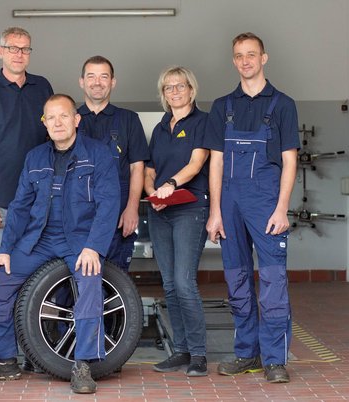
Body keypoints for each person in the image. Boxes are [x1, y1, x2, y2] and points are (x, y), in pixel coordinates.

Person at [0, 94, 120, 395]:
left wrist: (94, 247)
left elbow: (109, 204)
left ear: (76, 120)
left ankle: (84, 364)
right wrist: (5, 250)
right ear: (44, 123)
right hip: (39, 239)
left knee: (89, 282)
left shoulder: (98, 154)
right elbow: (20, 207)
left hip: (80, 240)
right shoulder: (35, 157)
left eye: (64, 116)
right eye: (51, 117)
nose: (58, 122)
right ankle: (4, 361)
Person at [204, 32, 300, 383]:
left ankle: (274, 359)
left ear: (264, 58)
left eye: (251, 54)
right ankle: (246, 354)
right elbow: (215, 161)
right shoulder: (221, 106)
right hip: (228, 203)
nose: (245, 60)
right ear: (234, 60)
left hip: (265, 203)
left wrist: (282, 208)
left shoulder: (283, 104)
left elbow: (290, 161)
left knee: (273, 282)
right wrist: (215, 211)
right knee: (237, 280)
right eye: (239, 55)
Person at [0, 27, 53, 373]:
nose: (18, 54)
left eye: (24, 49)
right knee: (1, 280)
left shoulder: (43, 88)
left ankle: (36, 353)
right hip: (2, 200)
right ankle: (3, 354)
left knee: (38, 278)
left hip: (41, 201)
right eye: (12, 48)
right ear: (0, 51)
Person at [144, 66, 210, 377]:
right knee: (169, 284)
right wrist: (153, 194)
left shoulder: (202, 122)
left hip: (189, 208)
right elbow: (149, 170)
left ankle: (198, 354)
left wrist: (170, 185)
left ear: (191, 89)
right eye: (168, 87)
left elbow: (196, 164)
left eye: (180, 86)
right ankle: (181, 349)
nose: (174, 91)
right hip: (161, 211)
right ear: (163, 94)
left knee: (185, 282)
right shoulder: (159, 128)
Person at [77, 56, 149, 271]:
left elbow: (137, 167)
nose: (97, 82)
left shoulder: (129, 119)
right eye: (91, 76)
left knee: (116, 279)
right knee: (77, 279)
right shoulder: (70, 120)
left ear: (113, 82)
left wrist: (132, 208)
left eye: (104, 76)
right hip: (79, 215)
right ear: (81, 81)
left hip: (119, 213)